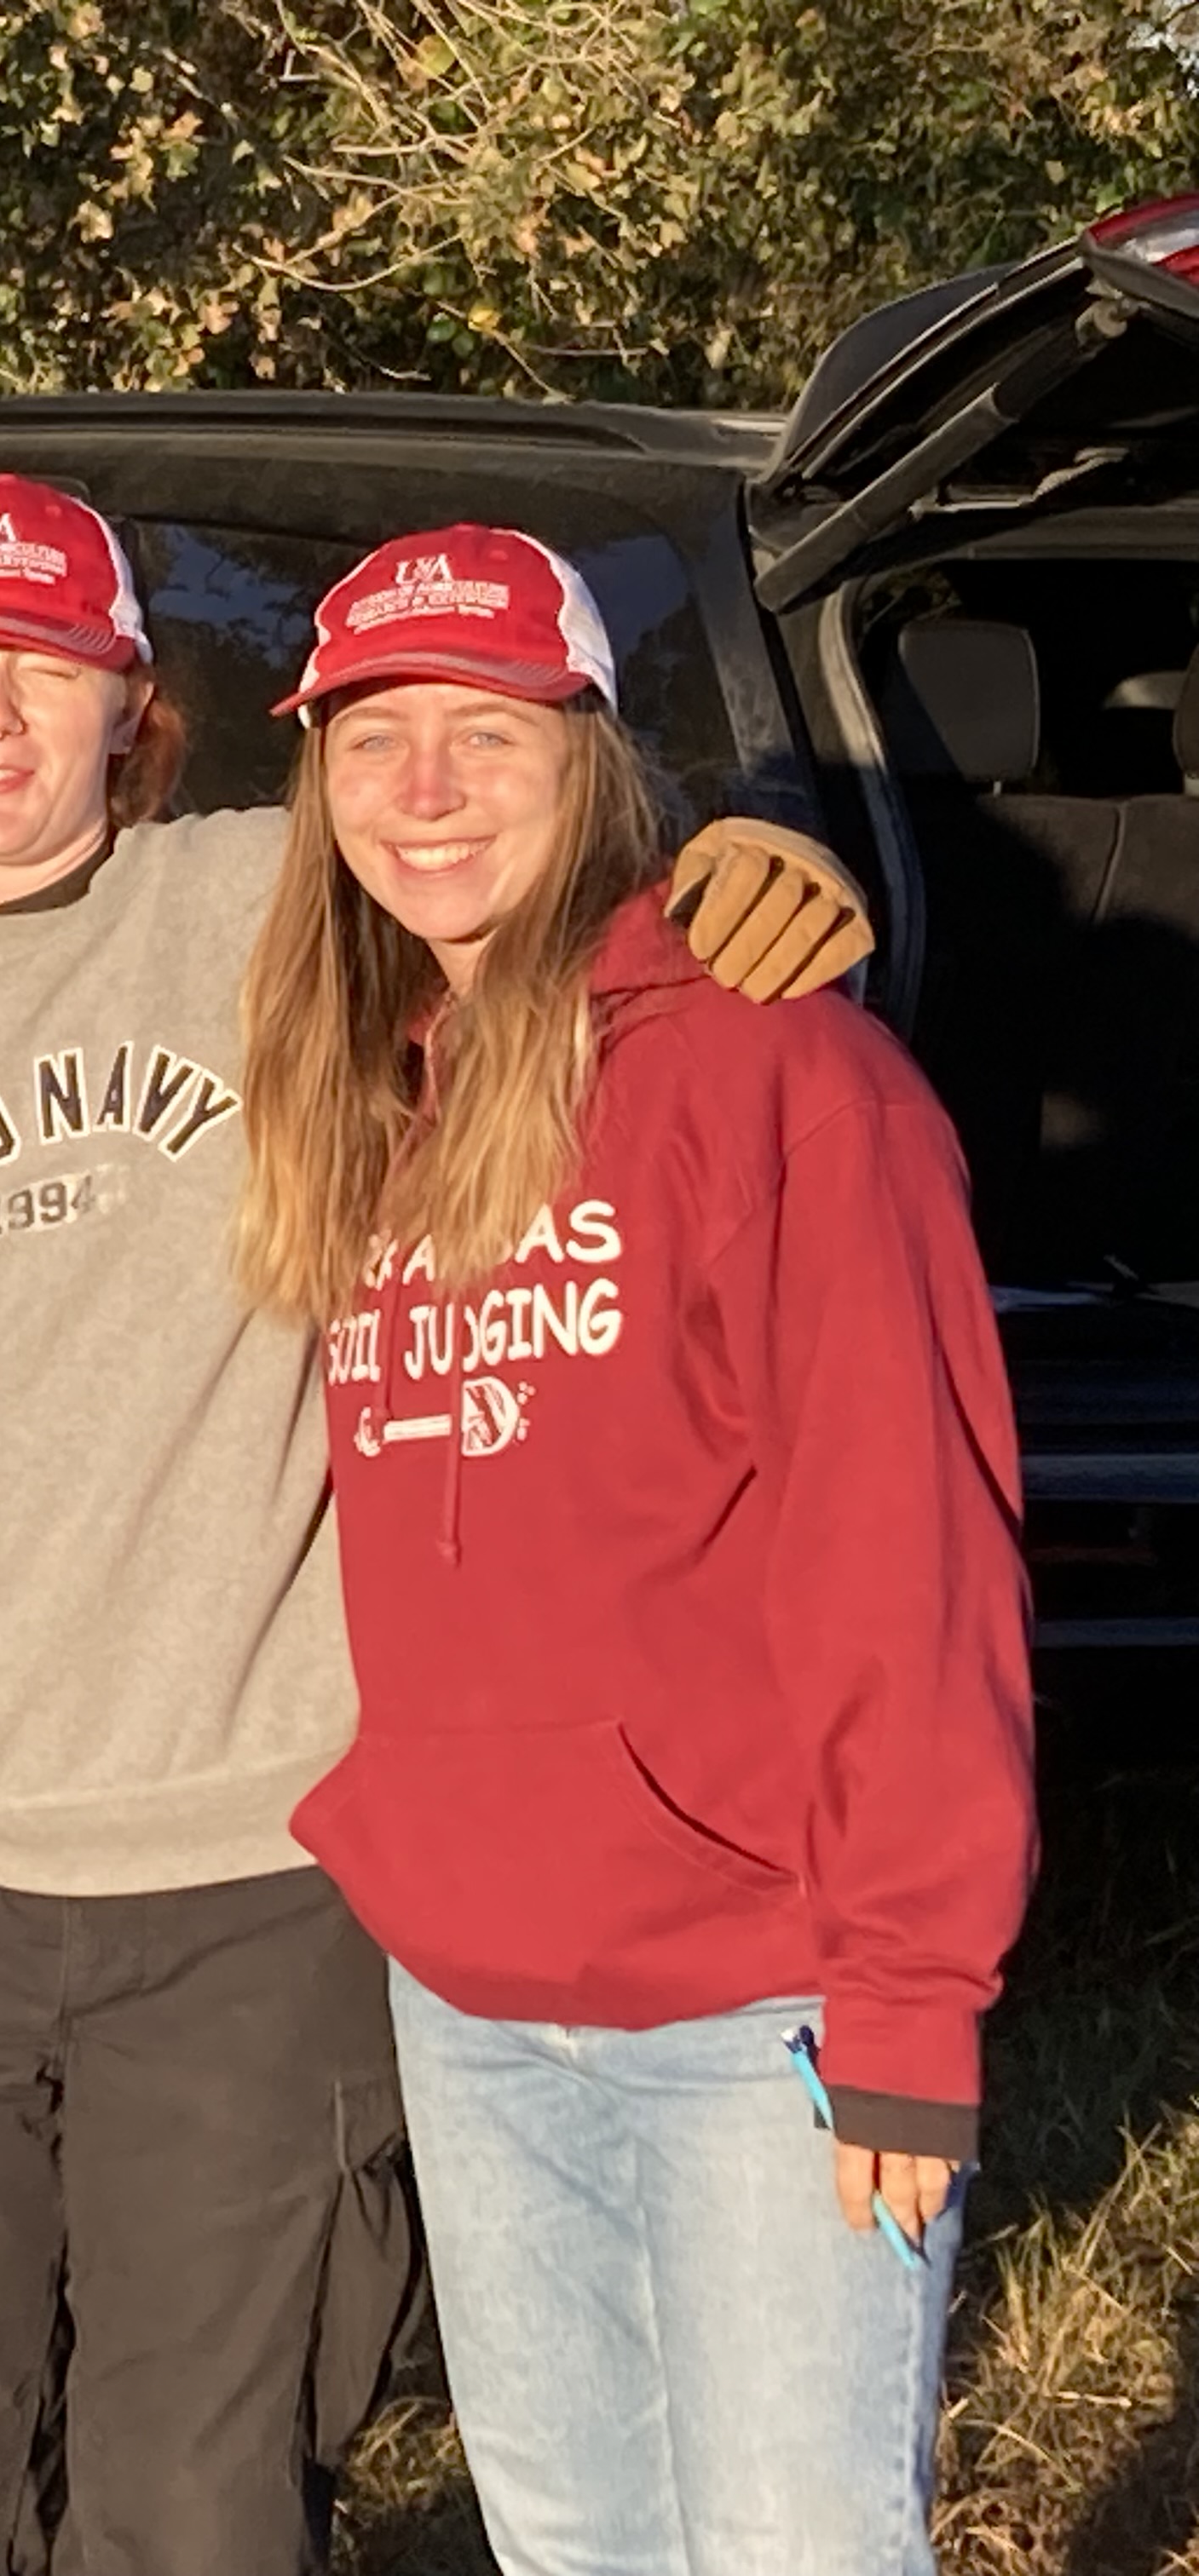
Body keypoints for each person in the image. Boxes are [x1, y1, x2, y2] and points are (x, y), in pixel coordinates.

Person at [0, 477, 877, 2574]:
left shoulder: (277, 906)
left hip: (251, 1875)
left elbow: (531, 851)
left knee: (201, 2502)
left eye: (48, 669)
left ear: (136, 712)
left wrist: (755, 840)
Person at [233, 525, 1035, 2572]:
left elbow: (909, 1561)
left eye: (485, 731)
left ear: (592, 752)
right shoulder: (366, 1103)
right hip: (477, 2006)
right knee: (577, 2548)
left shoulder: (785, 1075)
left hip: (751, 2008)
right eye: (372, 739)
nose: (425, 790)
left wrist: (909, 2007)